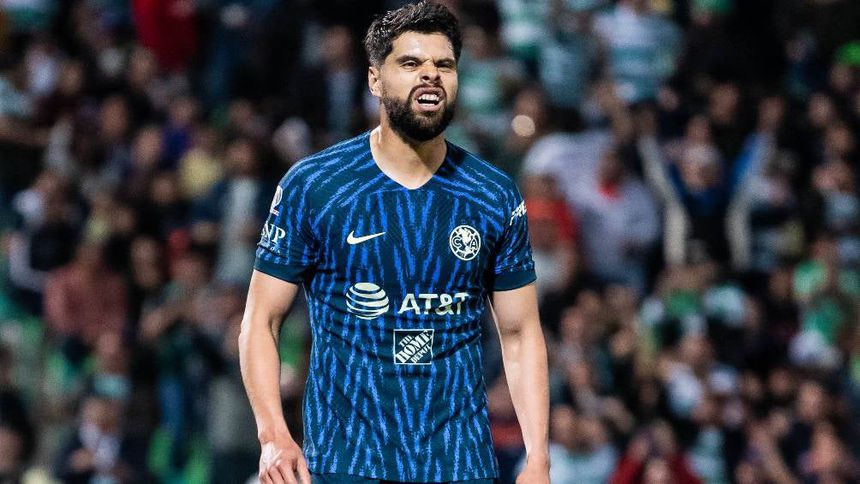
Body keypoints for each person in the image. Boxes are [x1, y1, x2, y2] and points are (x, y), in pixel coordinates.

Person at [238, 2, 550, 484]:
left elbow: (520, 333)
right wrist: (273, 434)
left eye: (444, 64)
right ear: (375, 80)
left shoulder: (493, 194)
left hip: (459, 464)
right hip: (346, 463)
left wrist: (538, 460)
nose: (430, 75)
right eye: (410, 63)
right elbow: (261, 320)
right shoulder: (316, 185)